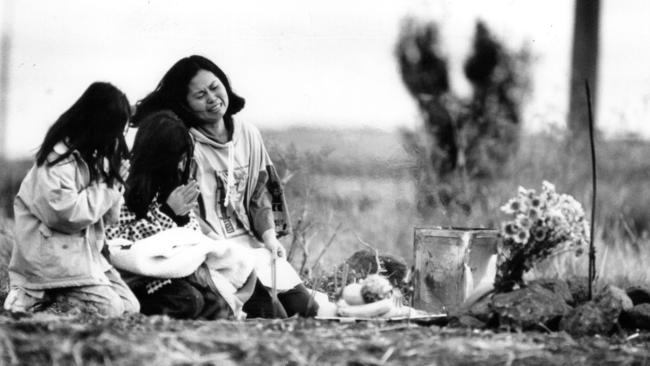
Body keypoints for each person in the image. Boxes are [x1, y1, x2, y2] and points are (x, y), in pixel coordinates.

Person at [132, 55, 318, 318]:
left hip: (253, 247)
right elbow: (185, 214)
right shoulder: (183, 142)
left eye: (215, 86)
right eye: (200, 94)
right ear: (185, 104)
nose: (212, 97)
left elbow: (260, 191)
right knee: (271, 314)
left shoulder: (248, 133)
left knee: (306, 310)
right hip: (215, 252)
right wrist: (220, 247)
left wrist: (269, 237)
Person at [105, 110, 263, 319]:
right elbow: (121, 244)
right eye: (177, 158)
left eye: (184, 158)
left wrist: (180, 218)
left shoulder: (173, 186)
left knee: (214, 303)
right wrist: (168, 214)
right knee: (189, 300)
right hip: (139, 278)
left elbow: (191, 241)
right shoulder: (127, 188)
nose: (181, 165)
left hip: (177, 274)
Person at [3, 82, 140, 317]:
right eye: (115, 130)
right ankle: (33, 303)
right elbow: (66, 215)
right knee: (110, 308)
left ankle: (51, 299)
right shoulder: (56, 161)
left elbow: (109, 218)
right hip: (51, 261)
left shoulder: (93, 158)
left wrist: (115, 184)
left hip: (81, 258)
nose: (117, 138)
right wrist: (108, 188)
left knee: (129, 307)